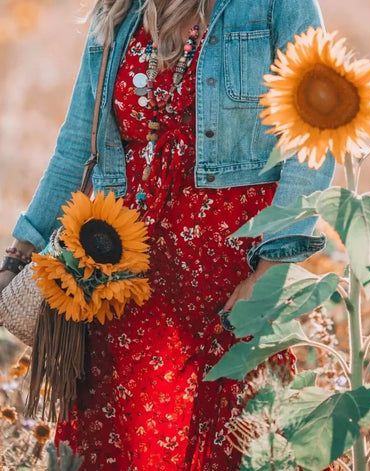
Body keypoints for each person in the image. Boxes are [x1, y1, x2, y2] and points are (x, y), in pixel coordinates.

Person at [0, 0, 334, 469]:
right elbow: (78, 145)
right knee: (119, 445)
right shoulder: (117, 13)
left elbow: (315, 133)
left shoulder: (277, 5)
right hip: (120, 281)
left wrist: (271, 270)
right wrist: (21, 251)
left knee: (236, 441)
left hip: (232, 278)